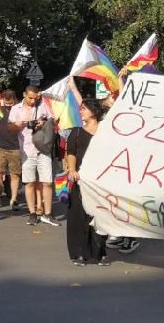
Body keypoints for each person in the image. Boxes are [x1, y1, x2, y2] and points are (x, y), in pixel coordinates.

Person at [65, 98, 111, 266]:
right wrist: (72, 170)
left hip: (100, 182)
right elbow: (71, 153)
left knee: (100, 216)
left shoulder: (106, 131)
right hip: (81, 182)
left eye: (84, 108)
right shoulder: (76, 132)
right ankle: (79, 253)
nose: (81, 111)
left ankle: (100, 253)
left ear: (93, 111)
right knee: (79, 216)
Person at [11, 85, 59, 227]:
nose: (33, 101)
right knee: (29, 182)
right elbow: (9, 128)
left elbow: (53, 121)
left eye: (35, 98)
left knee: (48, 182)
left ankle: (48, 214)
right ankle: (32, 213)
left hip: (43, 148)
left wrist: (42, 123)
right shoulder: (16, 109)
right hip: (26, 149)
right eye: (30, 97)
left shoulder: (43, 106)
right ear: (24, 94)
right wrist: (21, 123)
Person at [0, 89, 24, 211]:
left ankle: (14, 198)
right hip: (1, 146)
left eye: (10, 102)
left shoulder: (19, 110)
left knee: (14, 174)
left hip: (15, 147)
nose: (8, 104)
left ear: (14, 100)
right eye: (6, 101)